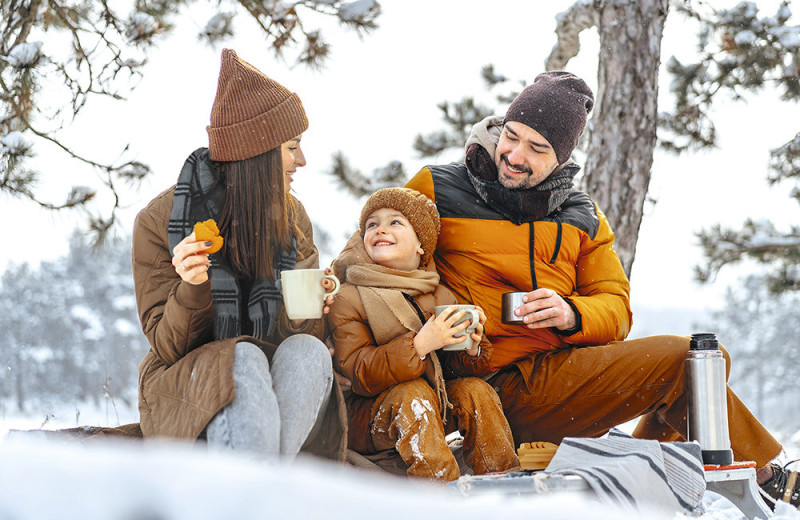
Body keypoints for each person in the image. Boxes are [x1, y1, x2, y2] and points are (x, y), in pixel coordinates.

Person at [405, 71, 796, 507]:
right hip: (486, 384)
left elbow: (617, 309)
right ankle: (767, 477)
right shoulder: (438, 187)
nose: (514, 155)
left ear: (562, 157)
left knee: (703, 361)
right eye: (511, 137)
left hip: (559, 375)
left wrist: (571, 314)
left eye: (537, 149)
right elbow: (372, 248)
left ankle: (655, 465)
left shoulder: (582, 215)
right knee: (688, 363)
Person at [132, 49, 345, 462]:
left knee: (309, 352)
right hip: (186, 381)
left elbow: (297, 337)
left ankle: (257, 491)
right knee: (241, 355)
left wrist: (310, 307)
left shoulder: (293, 217)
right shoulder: (161, 222)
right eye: (292, 147)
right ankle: (261, 493)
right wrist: (193, 288)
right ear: (258, 152)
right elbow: (167, 345)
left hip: (269, 382)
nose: (302, 160)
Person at [327, 187, 519, 481]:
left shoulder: (438, 292)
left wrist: (470, 350)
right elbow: (356, 370)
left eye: (395, 222)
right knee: (412, 395)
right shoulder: (350, 296)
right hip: (367, 415)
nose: (381, 229)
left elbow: (450, 370)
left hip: (433, 401)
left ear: (421, 244)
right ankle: (438, 490)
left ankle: (501, 476)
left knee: (475, 392)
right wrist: (418, 346)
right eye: (372, 224)